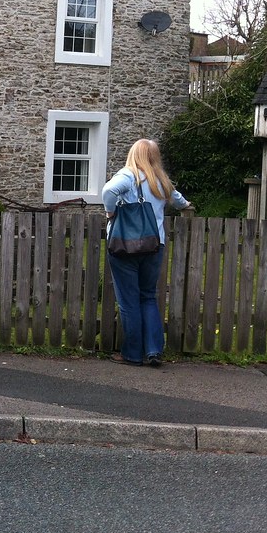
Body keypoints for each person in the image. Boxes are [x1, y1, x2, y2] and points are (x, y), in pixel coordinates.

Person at [102, 139, 192, 367]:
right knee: (148, 296)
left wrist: (110, 213)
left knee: (128, 301)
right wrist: (186, 207)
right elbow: (179, 201)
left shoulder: (128, 175)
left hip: (125, 245)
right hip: (154, 245)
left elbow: (109, 190)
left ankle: (132, 354)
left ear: (134, 154)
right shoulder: (161, 180)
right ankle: (153, 351)